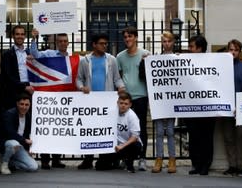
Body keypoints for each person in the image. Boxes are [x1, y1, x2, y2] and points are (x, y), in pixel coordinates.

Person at [76, 32, 126, 170]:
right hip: (90, 102)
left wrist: (121, 86)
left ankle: (105, 159)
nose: (105, 46)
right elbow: (79, 79)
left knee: (105, 130)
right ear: (94, 45)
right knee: (89, 130)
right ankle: (88, 159)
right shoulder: (84, 61)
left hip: (106, 103)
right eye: (102, 43)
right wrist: (82, 87)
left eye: (106, 43)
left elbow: (117, 78)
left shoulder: (111, 60)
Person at [29, 28, 68, 169]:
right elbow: (35, 55)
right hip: (48, 98)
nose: (63, 43)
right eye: (60, 41)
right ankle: (45, 160)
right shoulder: (49, 54)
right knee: (47, 128)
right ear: (57, 43)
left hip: (62, 100)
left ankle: (56, 160)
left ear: (68, 43)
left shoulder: (71, 59)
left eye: (65, 41)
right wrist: (34, 39)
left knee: (58, 129)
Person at [116, 26, 150, 171]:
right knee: (123, 129)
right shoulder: (120, 57)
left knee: (141, 128)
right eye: (125, 37)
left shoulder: (146, 54)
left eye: (130, 36)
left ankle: (142, 158)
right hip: (126, 98)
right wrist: (121, 87)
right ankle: (126, 158)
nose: (127, 39)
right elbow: (118, 76)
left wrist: (146, 62)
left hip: (141, 96)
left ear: (135, 37)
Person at [220, 39, 242, 176]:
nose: (233, 52)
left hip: (241, 109)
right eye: (231, 49)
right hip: (225, 109)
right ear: (227, 50)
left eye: (236, 50)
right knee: (228, 138)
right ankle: (232, 165)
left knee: (241, 137)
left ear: (239, 52)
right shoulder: (219, 66)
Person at [186, 34, 215, 176]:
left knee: (206, 138)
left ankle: (205, 165)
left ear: (200, 48)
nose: (189, 49)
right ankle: (196, 164)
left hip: (207, 108)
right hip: (191, 107)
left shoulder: (211, 61)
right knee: (194, 137)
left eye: (191, 47)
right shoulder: (186, 61)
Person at [95, 92, 142, 173]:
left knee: (136, 145)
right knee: (99, 166)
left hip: (127, 146)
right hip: (115, 147)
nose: (123, 105)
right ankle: (114, 162)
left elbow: (135, 137)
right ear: (117, 103)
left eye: (126, 104)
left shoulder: (132, 116)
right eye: (121, 103)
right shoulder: (112, 112)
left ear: (130, 104)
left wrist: (122, 146)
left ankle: (129, 163)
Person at [151, 31, 177, 174]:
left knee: (171, 131)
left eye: (169, 41)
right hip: (160, 100)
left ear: (173, 42)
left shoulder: (177, 58)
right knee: (160, 131)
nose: (166, 44)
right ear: (162, 43)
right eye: (164, 41)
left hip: (172, 100)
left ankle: (172, 159)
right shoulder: (156, 59)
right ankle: (159, 158)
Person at [0, 93, 38, 175]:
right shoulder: (9, 114)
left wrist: (28, 150)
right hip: (5, 144)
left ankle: (6, 162)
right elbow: (10, 133)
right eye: (22, 104)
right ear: (17, 104)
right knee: (14, 143)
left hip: (19, 146)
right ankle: (5, 165)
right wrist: (25, 140)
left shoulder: (28, 117)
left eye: (27, 105)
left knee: (33, 167)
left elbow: (26, 134)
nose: (24, 107)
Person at [0, 25, 34, 111]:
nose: (20, 36)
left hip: (30, 91)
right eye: (17, 34)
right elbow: (8, 76)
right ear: (13, 36)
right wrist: (24, 87)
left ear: (25, 36)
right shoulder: (7, 54)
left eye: (22, 34)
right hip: (14, 92)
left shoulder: (29, 53)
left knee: (29, 119)